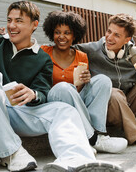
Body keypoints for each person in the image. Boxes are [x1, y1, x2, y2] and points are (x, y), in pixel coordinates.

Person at [0, 1, 123, 172]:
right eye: (9, 20)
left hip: (16, 111)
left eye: (19, 21)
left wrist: (33, 94)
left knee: (64, 109)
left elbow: (43, 91)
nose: (11, 26)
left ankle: (76, 159)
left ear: (34, 25)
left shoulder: (42, 58)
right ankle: (11, 151)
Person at [75, 13, 136, 145]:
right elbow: (62, 50)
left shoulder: (135, 54)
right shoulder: (91, 50)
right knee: (113, 92)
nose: (109, 37)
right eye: (109, 31)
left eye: (117, 35)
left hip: (128, 105)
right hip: (107, 110)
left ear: (127, 39)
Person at [40, 11, 127, 154]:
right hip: (53, 102)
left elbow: (78, 91)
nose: (61, 37)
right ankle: (92, 138)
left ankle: (99, 131)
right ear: (51, 33)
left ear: (74, 35)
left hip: (75, 101)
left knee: (103, 80)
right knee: (63, 87)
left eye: (67, 33)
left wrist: (85, 81)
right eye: (57, 32)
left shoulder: (81, 56)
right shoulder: (43, 51)